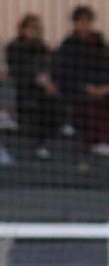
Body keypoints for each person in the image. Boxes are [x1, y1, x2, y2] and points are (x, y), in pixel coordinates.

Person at [53, 5, 109, 156]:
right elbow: (63, 73)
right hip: (76, 89)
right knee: (89, 105)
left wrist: (104, 87)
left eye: (87, 22)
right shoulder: (68, 45)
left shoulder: (100, 44)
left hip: (102, 88)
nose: (84, 25)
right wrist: (85, 87)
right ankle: (98, 141)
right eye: (80, 21)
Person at [7, 13, 64, 159]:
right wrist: (36, 79)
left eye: (38, 28)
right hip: (24, 88)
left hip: (44, 89)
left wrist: (49, 81)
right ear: (23, 29)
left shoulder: (43, 48)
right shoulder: (15, 47)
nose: (35, 31)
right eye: (31, 28)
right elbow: (16, 71)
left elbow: (50, 67)